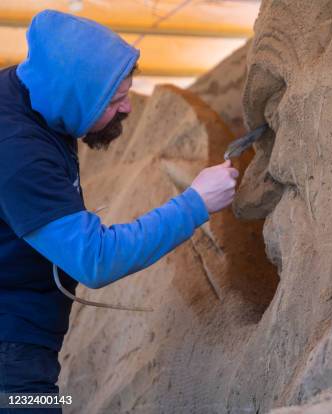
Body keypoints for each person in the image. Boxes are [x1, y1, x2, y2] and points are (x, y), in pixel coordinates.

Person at [0, 9, 238, 410]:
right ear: (75, 98)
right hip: (11, 352)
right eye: (115, 101)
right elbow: (95, 260)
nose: (127, 109)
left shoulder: (33, 96)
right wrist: (196, 203)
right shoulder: (20, 154)